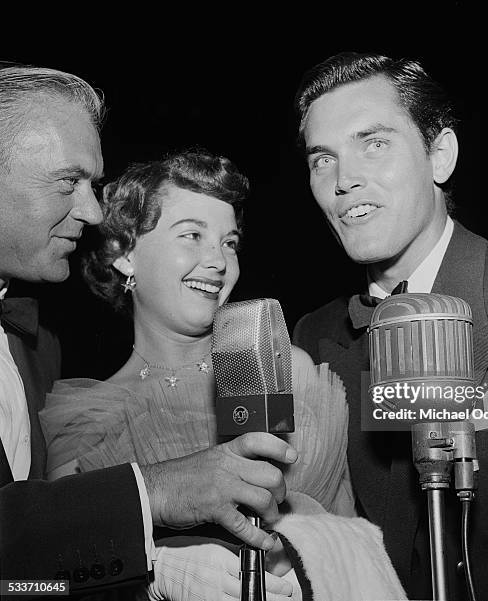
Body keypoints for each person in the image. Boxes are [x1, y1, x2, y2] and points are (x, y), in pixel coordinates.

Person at [292, 51, 488, 601]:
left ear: (439, 155)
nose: (345, 179)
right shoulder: (311, 340)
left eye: (374, 143)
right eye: (323, 159)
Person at [0, 65, 298, 600]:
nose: (92, 211)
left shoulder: (36, 349)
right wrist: (155, 538)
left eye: (230, 241)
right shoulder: (81, 409)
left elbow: (21, 584)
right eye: (70, 181)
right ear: (127, 256)